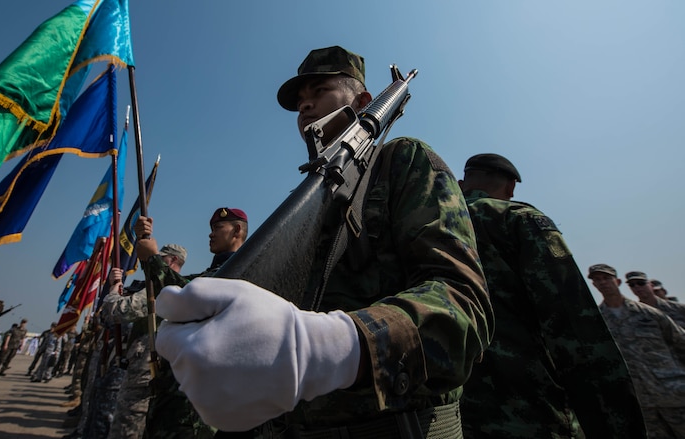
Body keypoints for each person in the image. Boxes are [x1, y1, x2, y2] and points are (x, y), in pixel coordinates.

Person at [153, 46, 491, 437]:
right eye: (300, 101)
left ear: (364, 102)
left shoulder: (402, 162)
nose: (305, 107)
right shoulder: (308, 202)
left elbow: (466, 305)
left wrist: (332, 346)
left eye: (319, 91)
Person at [457, 153, 646, 437]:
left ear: (461, 185)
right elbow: (574, 328)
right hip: (527, 414)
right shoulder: (518, 220)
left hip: (440, 417)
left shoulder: (422, 224)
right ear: (511, 188)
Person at [135, 209, 247, 439]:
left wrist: (153, 259)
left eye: (217, 228)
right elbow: (180, 286)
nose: (210, 234)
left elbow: (186, 297)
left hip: (194, 403)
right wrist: (144, 244)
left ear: (237, 230)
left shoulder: (242, 270)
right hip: (177, 392)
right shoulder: (213, 273)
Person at [588, 263, 685, 438]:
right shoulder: (598, 323)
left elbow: (681, 343)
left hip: (674, 395)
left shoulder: (649, 314)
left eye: (606, 278)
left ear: (617, 281)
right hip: (641, 404)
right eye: (597, 280)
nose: (602, 283)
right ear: (593, 285)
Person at [103, 244, 188, 439]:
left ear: (172, 260)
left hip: (143, 372)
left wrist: (113, 290)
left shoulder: (160, 288)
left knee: (127, 427)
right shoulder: (179, 288)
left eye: (161, 257)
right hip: (154, 370)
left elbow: (116, 311)